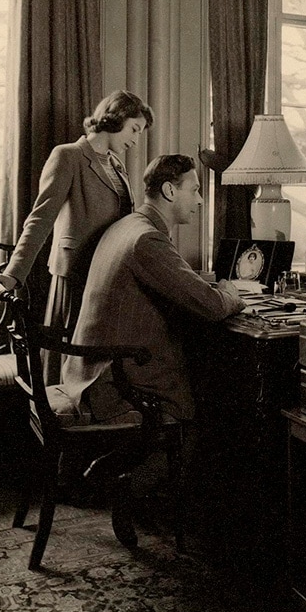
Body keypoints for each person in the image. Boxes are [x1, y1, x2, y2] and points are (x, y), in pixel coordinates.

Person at [61, 153, 246, 427]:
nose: (200, 200)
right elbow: (214, 306)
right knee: (214, 403)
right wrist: (232, 293)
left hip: (89, 370)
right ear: (170, 191)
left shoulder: (127, 226)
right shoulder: (147, 239)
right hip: (113, 386)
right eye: (194, 190)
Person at [0, 90, 154, 381]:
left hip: (105, 275)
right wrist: (13, 275)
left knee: (95, 360)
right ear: (115, 119)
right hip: (75, 273)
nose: (136, 140)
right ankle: (57, 417)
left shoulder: (116, 165)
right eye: (134, 129)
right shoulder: (68, 156)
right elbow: (40, 218)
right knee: (65, 357)